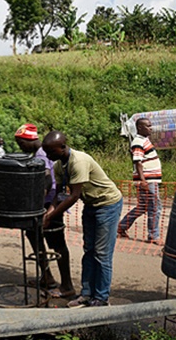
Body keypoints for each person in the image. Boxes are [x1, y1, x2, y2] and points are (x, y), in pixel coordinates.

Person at [42, 131, 123, 308]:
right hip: (91, 205)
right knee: (89, 250)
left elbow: (74, 196)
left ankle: (101, 298)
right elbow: (59, 195)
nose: (48, 156)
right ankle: (86, 294)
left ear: (63, 147)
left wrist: (50, 216)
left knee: (102, 254)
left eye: (50, 152)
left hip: (107, 205)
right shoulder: (58, 165)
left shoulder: (78, 162)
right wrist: (48, 213)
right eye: (46, 152)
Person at [14, 123, 75, 299]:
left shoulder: (41, 153)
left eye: (20, 143)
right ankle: (46, 277)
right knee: (35, 237)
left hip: (49, 205)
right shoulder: (41, 152)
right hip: (47, 203)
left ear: (27, 140)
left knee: (55, 243)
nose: (20, 147)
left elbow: (47, 180)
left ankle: (66, 284)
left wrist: (42, 205)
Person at [118, 118, 162, 244]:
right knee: (155, 207)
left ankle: (121, 227)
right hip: (148, 179)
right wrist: (143, 181)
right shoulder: (138, 142)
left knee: (143, 207)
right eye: (148, 126)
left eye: (150, 125)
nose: (151, 128)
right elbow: (137, 161)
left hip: (149, 179)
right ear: (140, 128)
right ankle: (153, 235)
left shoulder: (144, 140)